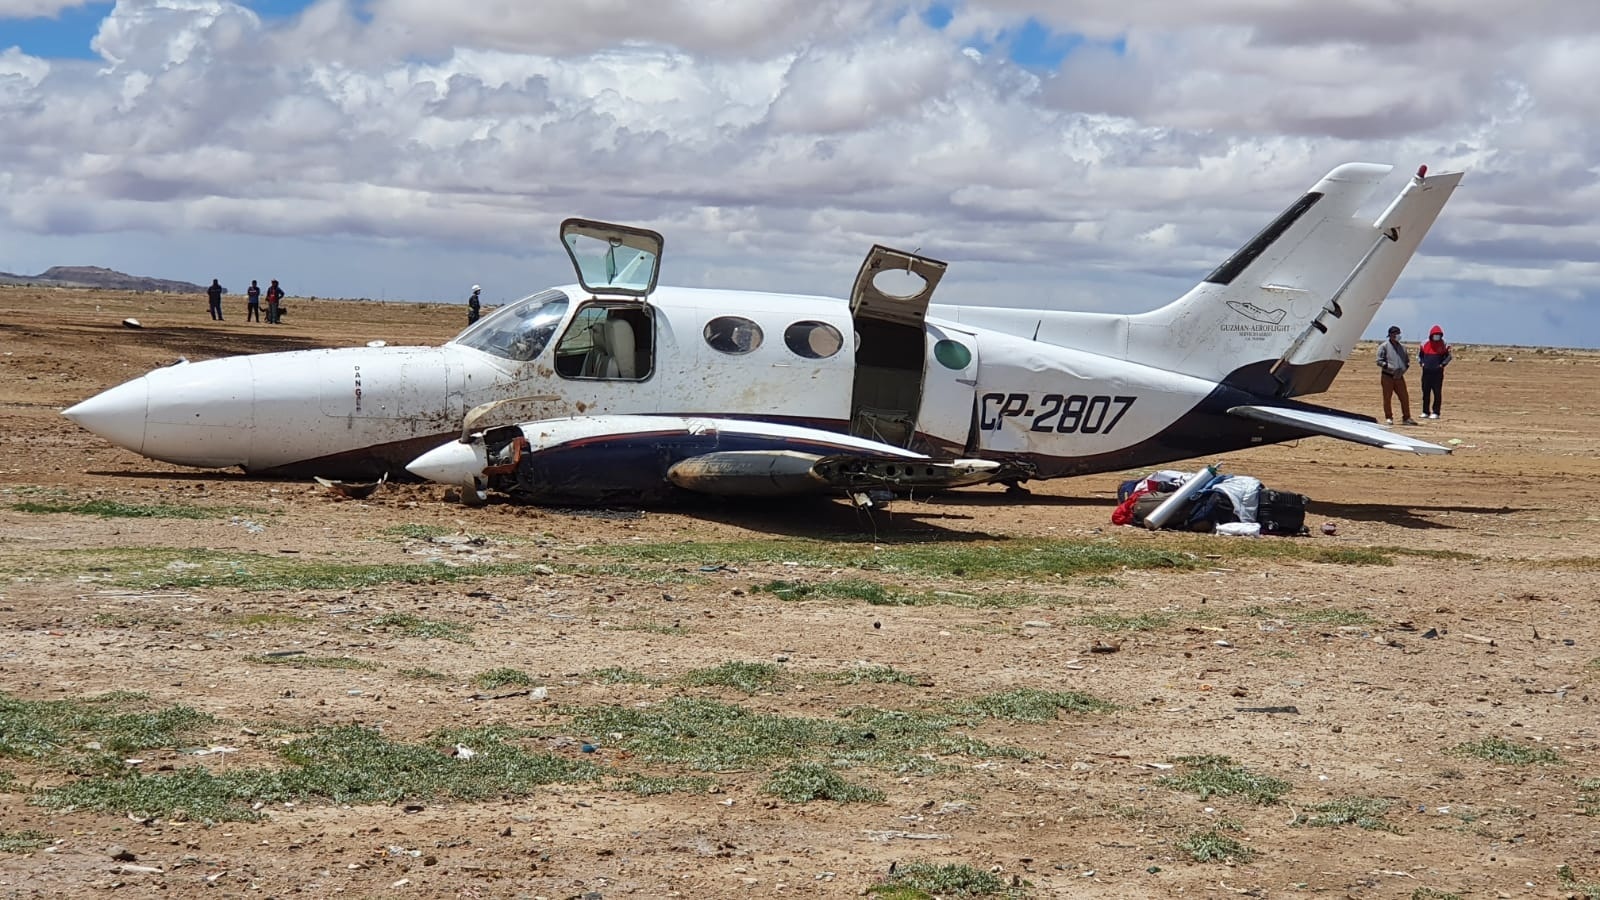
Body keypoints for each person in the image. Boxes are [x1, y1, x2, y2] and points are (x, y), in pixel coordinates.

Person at [1376, 325, 1418, 426]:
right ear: (1390, 335)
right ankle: (1389, 417)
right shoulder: (1384, 346)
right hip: (1387, 376)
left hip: (1399, 377)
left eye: (1398, 333)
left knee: (1404, 397)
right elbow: (1379, 361)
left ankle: (1407, 417)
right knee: (1387, 397)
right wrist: (1387, 366)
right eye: (1395, 333)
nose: (1397, 335)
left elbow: (1407, 361)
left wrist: (1404, 368)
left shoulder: (1402, 347)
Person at [1417, 324, 1453, 419]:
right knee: (1425, 393)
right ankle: (1425, 411)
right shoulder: (1424, 343)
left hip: (1437, 373)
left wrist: (1442, 364)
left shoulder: (1444, 344)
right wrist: (1422, 363)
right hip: (1426, 372)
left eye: (1438, 334)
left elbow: (1449, 356)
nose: (1436, 336)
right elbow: (1420, 355)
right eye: (1435, 334)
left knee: (1437, 393)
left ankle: (1436, 412)